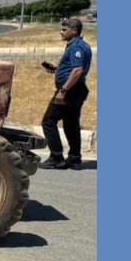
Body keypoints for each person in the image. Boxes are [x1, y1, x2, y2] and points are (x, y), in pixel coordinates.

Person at [40, 18, 93, 169]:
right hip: (76, 89)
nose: (61, 32)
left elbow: (77, 70)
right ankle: (74, 159)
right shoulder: (80, 45)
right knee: (71, 124)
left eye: (64, 30)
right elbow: (73, 69)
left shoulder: (76, 47)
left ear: (74, 31)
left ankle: (56, 157)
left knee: (48, 121)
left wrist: (63, 91)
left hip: (70, 90)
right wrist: (58, 70)